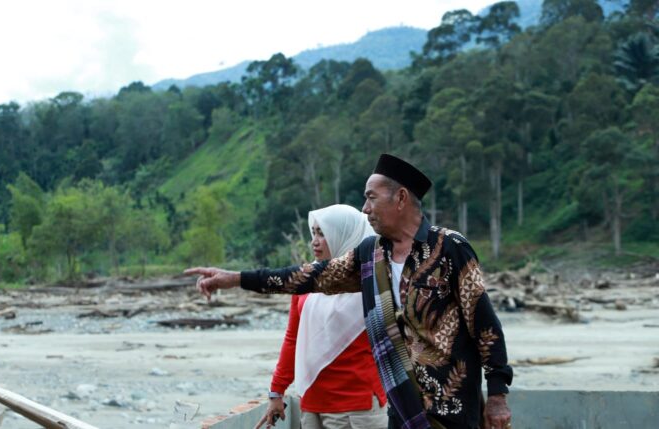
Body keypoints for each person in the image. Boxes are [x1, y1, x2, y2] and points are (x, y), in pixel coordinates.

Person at [187, 154, 513, 429]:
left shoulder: (450, 248)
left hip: (453, 406)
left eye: (371, 197)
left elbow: (485, 324)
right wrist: (236, 278)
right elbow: (309, 277)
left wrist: (497, 394)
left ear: (400, 198)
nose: (365, 208)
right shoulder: (371, 255)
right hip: (402, 406)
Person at [256, 204, 387, 429]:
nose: (314, 241)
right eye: (314, 233)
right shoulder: (307, 282)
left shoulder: (370, 282)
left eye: (323, 233)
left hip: (357, 406)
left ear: (344, 235)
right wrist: (276, 391)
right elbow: (293, 340)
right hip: (312, 402)